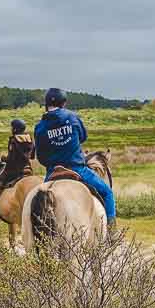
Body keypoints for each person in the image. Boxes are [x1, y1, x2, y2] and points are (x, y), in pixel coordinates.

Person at [33, 87, 116, 230]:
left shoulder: (40, 126)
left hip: (53, 172)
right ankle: (112, 231)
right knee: (107, 193)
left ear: (46, 104)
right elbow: (83, 137)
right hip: (77, 169)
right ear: (63, 103)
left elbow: (40, 157)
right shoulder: (72, 117)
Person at [0, 117, 36, 227]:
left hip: (12, 172)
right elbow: (32, 156)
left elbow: (11, 160)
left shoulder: (13, 140)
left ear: (14, 129)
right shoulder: (30, 139)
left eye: (12, 127)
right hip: (27, 170)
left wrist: (2, 158)